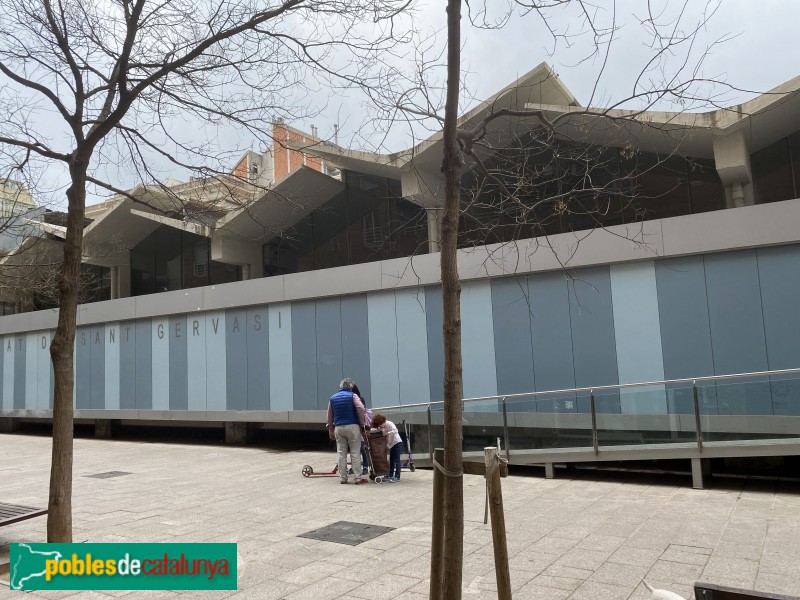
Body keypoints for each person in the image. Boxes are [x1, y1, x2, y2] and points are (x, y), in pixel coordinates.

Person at [326, 378, 368, 484]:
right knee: (355, 452)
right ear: (351, 386)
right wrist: (362, 424)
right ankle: (358, 478)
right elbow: (361, 409)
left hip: (338, 427)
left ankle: (343, 478)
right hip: (353, 426)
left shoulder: (333, 398)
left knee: (341, 453)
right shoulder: (353, 396)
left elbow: (329, 415)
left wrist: (331, 429)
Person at [371, 413, 402, 482]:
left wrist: (387, 433)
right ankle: (390, 475)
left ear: (383, 422)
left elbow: (395, 430)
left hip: (397, 443)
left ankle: (397, 476)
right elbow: (374, 430)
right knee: (391, 460)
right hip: (391, 444)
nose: (381, 427)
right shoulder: (382, 427)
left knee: (397, 460)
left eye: (380, 425)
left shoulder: (390, 423)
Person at [352, 383, 371, 476]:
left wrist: (362, 425)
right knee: (354, 448)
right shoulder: (349, 399)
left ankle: (365, 467)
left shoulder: (360, 399)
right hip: (352, 425)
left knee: (363, 447)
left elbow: (362, 411)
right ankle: (355, 466)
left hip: (359, 425)